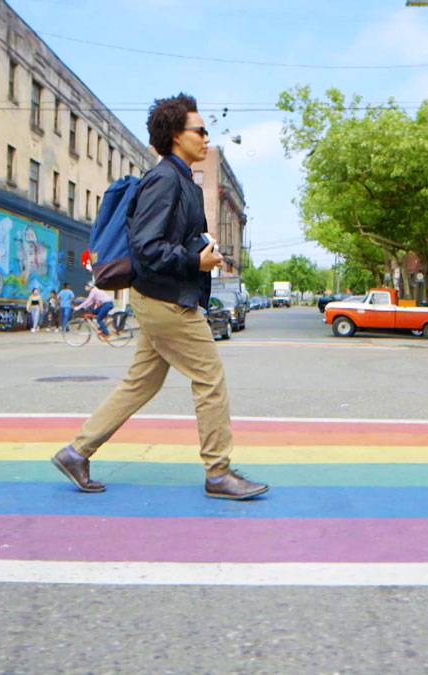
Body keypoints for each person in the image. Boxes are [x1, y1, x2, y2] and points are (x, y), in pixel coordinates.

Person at [51, 93, 268, 501]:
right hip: (165, 301)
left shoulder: (180, 178)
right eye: (199, 130)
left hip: (163, 296)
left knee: (140, 383)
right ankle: (218, 473)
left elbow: (167, 242)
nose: (206, 137)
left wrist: (203, 252)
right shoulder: (165, 180)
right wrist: (195, 261)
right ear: (174, 135)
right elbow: (147, 247)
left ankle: (76, 451)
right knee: (210, 378)